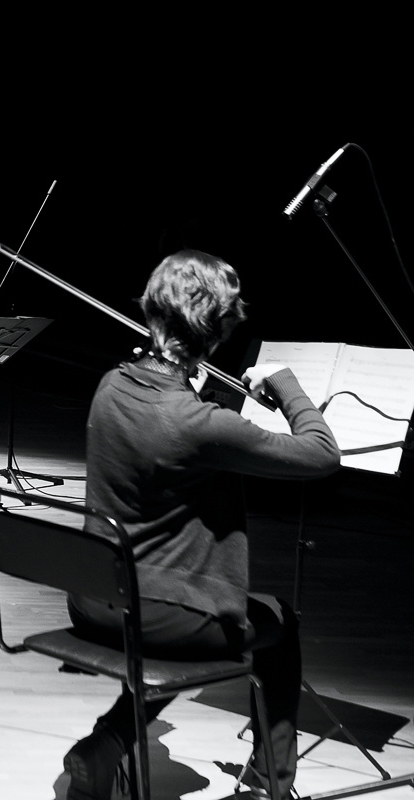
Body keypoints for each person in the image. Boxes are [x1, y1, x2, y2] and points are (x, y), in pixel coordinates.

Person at [62, 250, 340, 800]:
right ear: (217, 332)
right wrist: (283, 384)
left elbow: (173, 438)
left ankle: (106, 744)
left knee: (175, 612)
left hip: (95, 599)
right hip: (155, 616)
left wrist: (205, 390)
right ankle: (268, 788)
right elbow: (321, 453)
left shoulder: (111, 385)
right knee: (278, 624)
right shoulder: (195, 424)